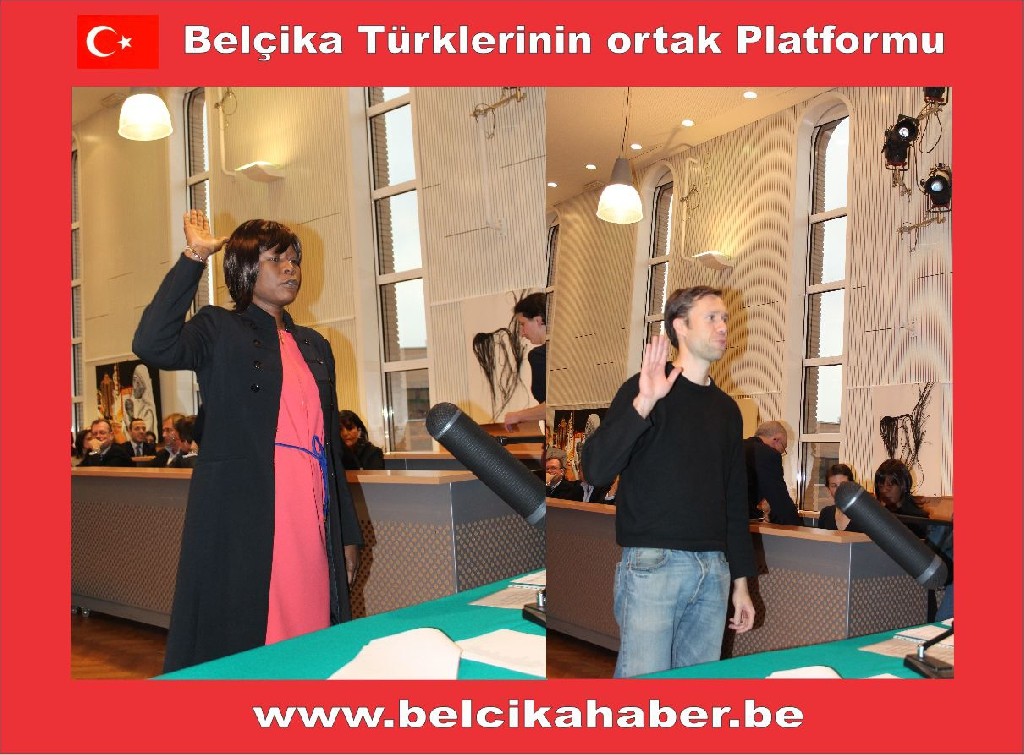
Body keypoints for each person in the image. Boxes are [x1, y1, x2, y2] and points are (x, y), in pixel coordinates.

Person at [133, 209, 363, 673]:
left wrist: (347, 534)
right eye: (276, 259)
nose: (290, 268)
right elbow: (152, 343)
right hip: (245, 505)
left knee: (311, 617)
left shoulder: (316, 345)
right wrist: (195, 256)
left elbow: (331, 451)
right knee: (249, 625)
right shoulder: (219, 328)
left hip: (312, 502)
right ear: (245, 269)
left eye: (295, 259)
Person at [582, 286, 756, 678]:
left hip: (714, 569)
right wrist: (645, 403)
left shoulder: (727, 411)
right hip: (654, 564)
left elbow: (734, 501)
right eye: (711, 317)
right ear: (680, 326)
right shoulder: (643, 389)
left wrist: (740, 583)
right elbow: (595, 470)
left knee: (695, 696)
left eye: (725, 318)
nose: (723, 326)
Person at [743, 421, 802, 525]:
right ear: (776, 439)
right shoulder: (768, 454)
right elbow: (779, 500)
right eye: (783, 448)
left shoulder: (737, 447)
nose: (780, 453)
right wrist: (799, 528)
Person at [503, 292, 547, 430]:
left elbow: (554, 406)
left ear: (538, 320)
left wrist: (517, 416)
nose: (522, 333)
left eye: (523, 324)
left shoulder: (540, 355)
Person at [873, 458, 930, 537]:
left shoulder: (918, 519)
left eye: (890, 485)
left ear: (903, 485)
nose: (884, 490)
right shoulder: (877, 514)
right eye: (880, 486)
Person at [816, 463, 863, 532]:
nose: (839, 489)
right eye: (834, 486)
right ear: (828, 489)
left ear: (851, 486)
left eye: (843, 484)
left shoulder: (864, 516)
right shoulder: (825, 514)